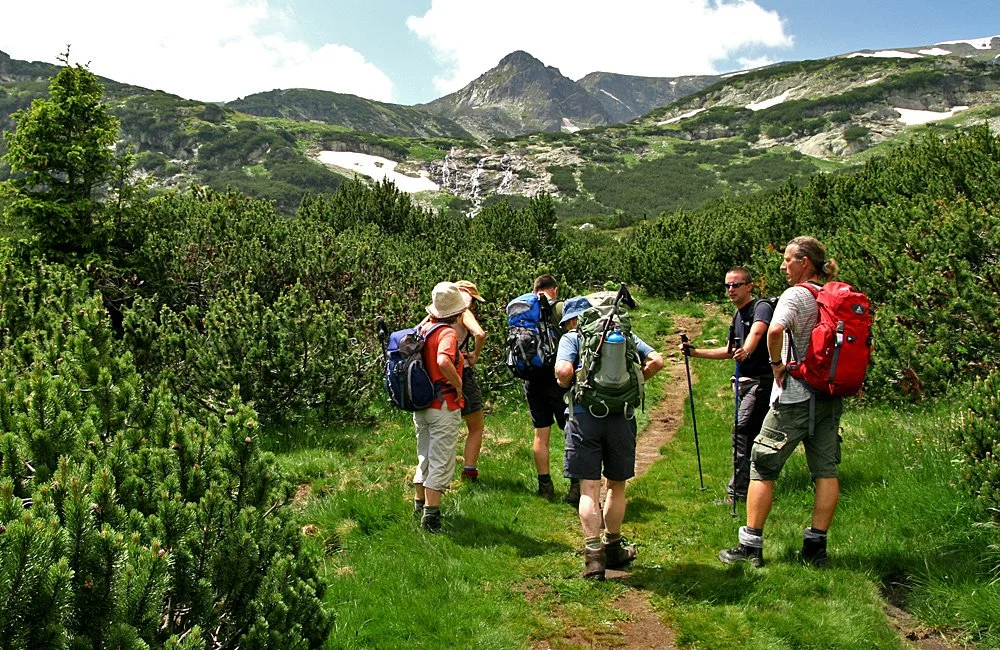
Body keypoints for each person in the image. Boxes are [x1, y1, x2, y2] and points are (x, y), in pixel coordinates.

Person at [718, 236, 844, 567]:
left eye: (788, 260)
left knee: (762, 464)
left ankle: (751, 546)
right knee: (826, 471)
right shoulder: (830, 297)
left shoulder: (796, 295)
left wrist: (777, 366)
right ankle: (816, 547)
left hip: (795, 395)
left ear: (805, 263)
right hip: (829, 398)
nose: (783, 266)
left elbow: (774, 331)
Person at [555, 296, 665, 580]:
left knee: (589, 488)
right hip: (621, 416)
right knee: (617, 485)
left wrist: (566, 383)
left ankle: (593, 558)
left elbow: (564, 372)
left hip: (584, 416)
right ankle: (613, 546)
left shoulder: (572, 337)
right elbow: (657, 361)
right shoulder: (625, 334)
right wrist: (633, 385)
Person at [680, 267, 774, 504]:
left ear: (749, 286)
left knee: (741, 432)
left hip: (761, 382)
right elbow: (730, 351)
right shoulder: (737, 315)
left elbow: (759, 330)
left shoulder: (760, 306)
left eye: (736, 285)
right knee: (751, 435)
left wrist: (748, 349)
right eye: (727, 286)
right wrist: (696, 353)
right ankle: (755, 484)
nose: (731, 290)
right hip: (744, 384)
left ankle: (739, 493)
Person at [412, 282, 467, 533]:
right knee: (441, 460)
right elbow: (443, 360)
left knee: (424, 454)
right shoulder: (447, 333)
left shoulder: (422, 328)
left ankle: (418, 504)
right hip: (442, 404)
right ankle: (431, 517)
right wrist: (457, 385)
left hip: (420, 403)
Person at [520, 274, 571, 501]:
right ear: (555, 290)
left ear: (535, 289)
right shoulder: (560, 308)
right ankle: (577, 485)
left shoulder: (523, 309)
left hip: (531, 378)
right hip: (558, 377)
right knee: (572, 429)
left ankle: (545, 486)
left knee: (541, 433)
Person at [454, 280, 488, 481]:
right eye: (474, 302)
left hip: (438, 375)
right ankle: (469, 472)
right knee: (475, 425)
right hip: (461, 373)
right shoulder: (463, 312)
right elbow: (480, 334)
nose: (474, 307)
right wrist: (475, 354)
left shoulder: (437, 314)